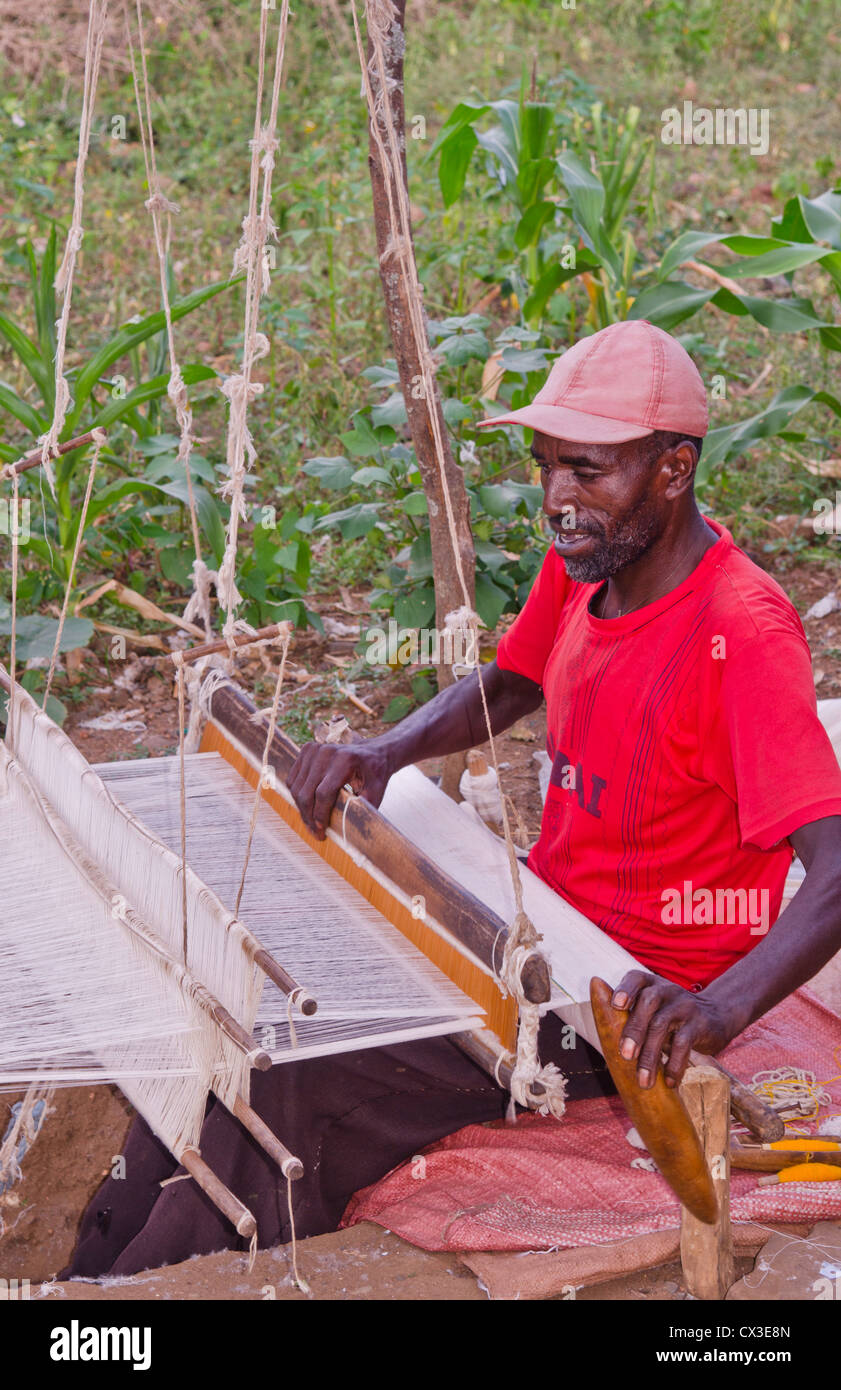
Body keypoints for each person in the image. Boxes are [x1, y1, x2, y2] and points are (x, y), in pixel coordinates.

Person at [65, 319, 841, 1278]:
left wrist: (714, 1011)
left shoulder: (742, 634)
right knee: (259, 1024)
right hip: (533, 938)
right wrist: (382, 752)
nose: (557, 500)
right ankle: (97, 1259)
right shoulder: (587, 570)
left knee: (297, 1075)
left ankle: (125, 1291)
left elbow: (835, 871)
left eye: (587, 471)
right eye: (547, 466)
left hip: (617, 1008)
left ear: (674, 470)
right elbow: (511, 683)